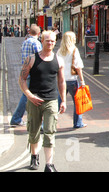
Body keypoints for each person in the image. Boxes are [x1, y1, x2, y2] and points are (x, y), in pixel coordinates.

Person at [19, 30, 66, 172]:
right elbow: (22, 79)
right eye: (47, 40)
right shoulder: (32, 59)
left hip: (51, 100)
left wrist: (63, 100)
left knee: (50, 131)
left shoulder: (59, 60)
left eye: (52, 41)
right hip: (34, 100)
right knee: (33, 131)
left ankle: (49, 164)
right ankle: (34, 156)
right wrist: (29, 95)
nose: (50, 43)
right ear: (42, 41)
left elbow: (61, 81)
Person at [10, 24, 42, 126]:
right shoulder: (36, 43)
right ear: (39, 33)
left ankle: (20, 118)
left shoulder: (24, 42)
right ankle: (16, 118)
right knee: (27, 95)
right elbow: (39, 58)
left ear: (29, 32)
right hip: (33, 72)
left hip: (26, 71)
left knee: (28, 94)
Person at [57, 31, 87, 128]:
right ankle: (78, 123)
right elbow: (78, 67)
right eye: (74, 37)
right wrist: (82, 81)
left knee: (57, 103)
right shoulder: (74, 50)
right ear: (71, 39)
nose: (75, 39)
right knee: (77, 102)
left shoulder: (59, 51)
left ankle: (45, 124)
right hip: (72, 80)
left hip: (61, 81)